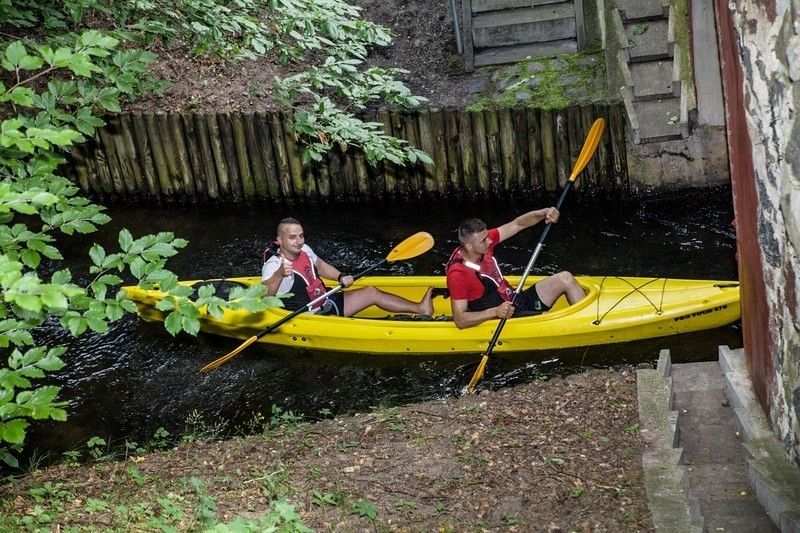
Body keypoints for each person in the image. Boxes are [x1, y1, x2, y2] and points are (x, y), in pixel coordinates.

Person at [445, 208, 586, 329]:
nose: (489, 241)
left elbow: (518, 224)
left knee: (565, 278)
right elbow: (460, 320)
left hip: (515, 300)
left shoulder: (484, 243)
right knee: (550, 321)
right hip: (501, 318)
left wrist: (544, 213)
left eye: (487, 236)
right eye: (483, 240)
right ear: (468, 246)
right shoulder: (458, 274)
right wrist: (495, 312)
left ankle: (589, 319)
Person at [262, 218, 433, 317]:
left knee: (371, 292)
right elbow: (264, 295)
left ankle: (420, 309)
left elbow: (320, 265)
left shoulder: (304, 250)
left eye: (301, 236)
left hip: (326, 301)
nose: (299, 241)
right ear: (279, 240)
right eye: (292, 237)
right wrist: (279, 275)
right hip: (309, 318)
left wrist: (340, 276)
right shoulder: (274, 265)